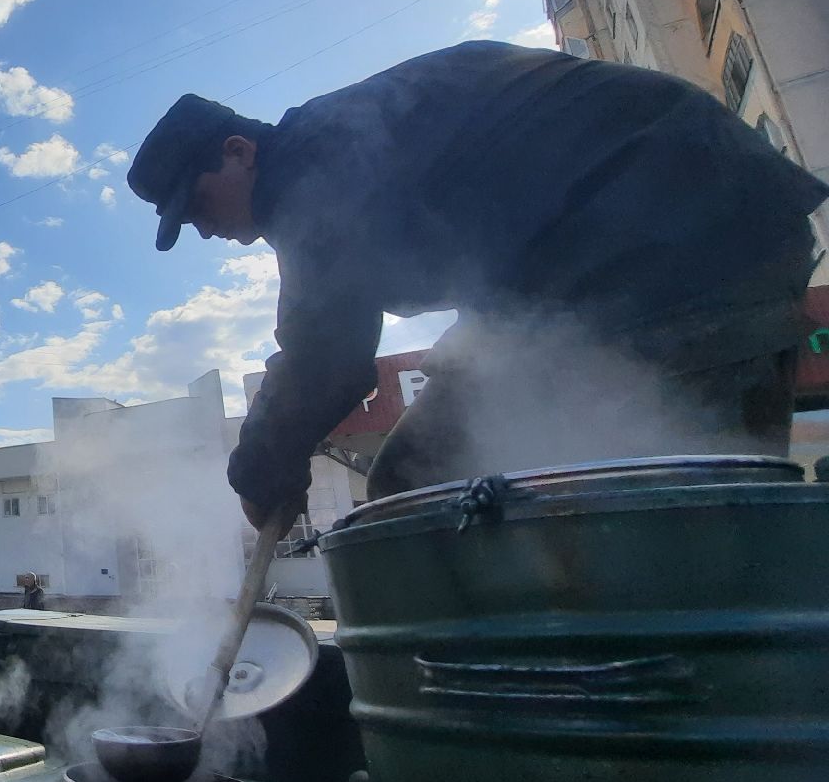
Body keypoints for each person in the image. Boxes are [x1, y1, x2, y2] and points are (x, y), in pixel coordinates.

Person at [128, 41, 829, 535]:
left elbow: (326, 354)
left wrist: (260, 468)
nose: (202, 229)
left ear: (238, 150)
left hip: (667, 236)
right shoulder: (345, 139)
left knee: (429, 487)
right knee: (425, 471)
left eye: (196, 205)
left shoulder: (313, 166)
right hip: (663, 234)